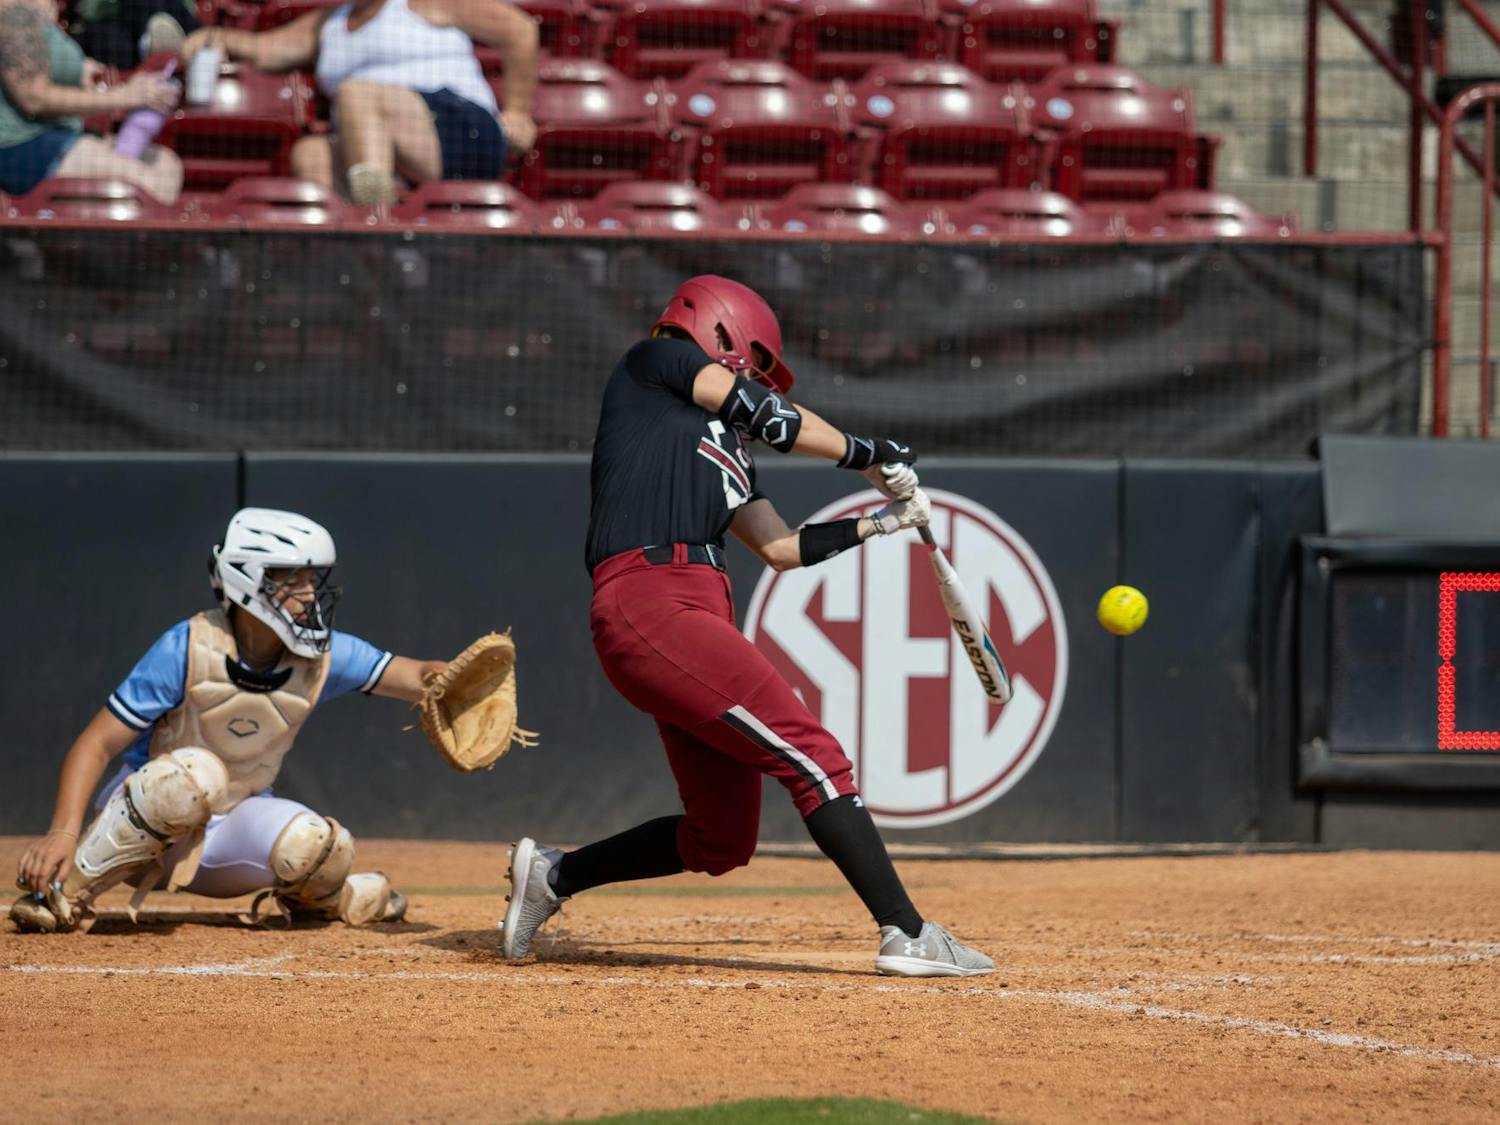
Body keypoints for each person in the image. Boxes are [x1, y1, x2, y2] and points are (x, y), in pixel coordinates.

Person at [500, 276, 995, 978]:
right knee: (815, 754)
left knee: (722, 838)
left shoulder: (719, 447)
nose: (754, 376)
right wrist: (870, 453)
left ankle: (552, 876)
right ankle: (907, 930)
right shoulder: (653, 363)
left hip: (689, 614)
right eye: (753, 360)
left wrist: (881, 521)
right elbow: (770, 414)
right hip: (652, 600)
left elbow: (781, 548)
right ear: (720, 330)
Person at [10, 507, 447, 933]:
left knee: (317, 843)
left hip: (227, 837)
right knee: (192, 775)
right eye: (293, 579)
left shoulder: (324, 657)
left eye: (313, 580)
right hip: (144, 825)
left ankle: (332, 898)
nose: (311, 595)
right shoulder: (186, 648)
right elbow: (96, 744)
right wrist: (63, 833)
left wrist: (451, 681)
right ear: (248, 581)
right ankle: (62, 893)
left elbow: (415, 675)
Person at [179, 0, 538, 205]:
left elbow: (520, 29)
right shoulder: (328, 23)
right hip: (384, 145)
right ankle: (357, 262)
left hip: (463, 130)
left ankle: (375, 216)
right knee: (310, 154)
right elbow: (263, 49)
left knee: (357, 94)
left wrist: (519, 111)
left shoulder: (422, 2)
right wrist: (213, 35)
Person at [0, 0, 182, 201]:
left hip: (57, 134)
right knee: (151, 185)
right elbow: (32, 97)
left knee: (167, 165)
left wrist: (81, 68)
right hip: (21, 147)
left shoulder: (39, 8)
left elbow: (40, 64)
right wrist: (125, 96)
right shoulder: (14, 10)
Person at [69, 0, 197, 70]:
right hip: (111, 22)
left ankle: (151, 43)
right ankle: (149, 44)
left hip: (167, 13)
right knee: (115, 41)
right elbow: (90, 12)